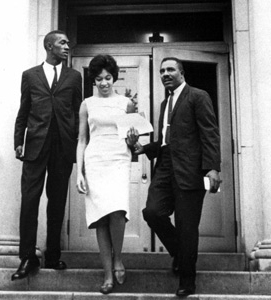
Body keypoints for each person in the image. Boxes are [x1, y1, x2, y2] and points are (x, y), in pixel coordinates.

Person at [134, 57, 221, 297]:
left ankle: (187, 281)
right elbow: (166, 142)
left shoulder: (198, 96)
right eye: (162, 71)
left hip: (190, 171)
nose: (165, 74)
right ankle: (180, 255)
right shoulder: (165, 103)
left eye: (170, 69)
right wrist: (145, 149)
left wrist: (212, 167)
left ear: (181, 73)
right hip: (164, 167)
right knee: (152, 212)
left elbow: (209, 133)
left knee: (186, 227)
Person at [12, 30, 82, 281]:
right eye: (62, 42)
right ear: (49, 46)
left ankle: (53, 254)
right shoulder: (30, 75)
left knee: (57, 201)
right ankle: (28, 257)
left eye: (67, 42)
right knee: (30, 200)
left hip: (62, 147)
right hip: (35, 146)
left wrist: (77, 145)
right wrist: (18, 141)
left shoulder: (75, 77)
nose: (67, 46)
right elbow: (24, 111)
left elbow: (77, 113)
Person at [76, 54, 138, 294]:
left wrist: (133, 141)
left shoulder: (126, 103)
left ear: (114, 78)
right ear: (94, 79)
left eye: (108, 78)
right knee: (101, 216)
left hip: (119, 159)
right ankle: (107, 273)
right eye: (99, 78)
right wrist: (79, 172)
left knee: (118, 212)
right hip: (95, 160)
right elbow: (82, 139)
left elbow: (132, 138)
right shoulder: (87, 104)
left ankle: (118, 258)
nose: (103, 83)